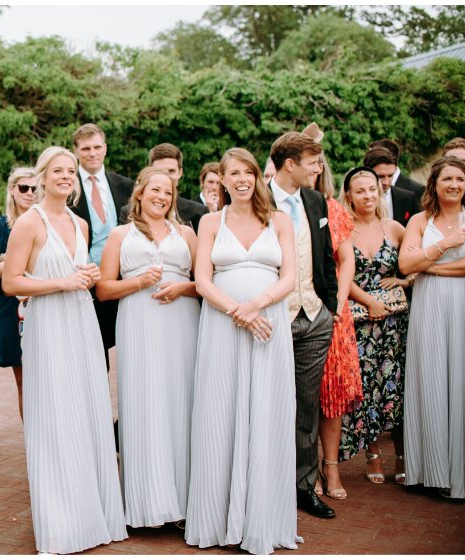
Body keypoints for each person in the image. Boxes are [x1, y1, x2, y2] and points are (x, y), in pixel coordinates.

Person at [3, 146, 126, 554]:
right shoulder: (28, 223)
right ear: (42, 176)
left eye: (70, 171)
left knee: (88, 411)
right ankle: (61, 522)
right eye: (57, 170)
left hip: (81, 323)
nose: (65, 176)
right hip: (48, 327)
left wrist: (87, 276)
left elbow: (79, 276)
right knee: (56, 415)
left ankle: (93, 515)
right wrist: (62, 283)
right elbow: (11, 282)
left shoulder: (79, 223)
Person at [185, 147, 300, 554]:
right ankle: (219, 519)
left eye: (247, 172)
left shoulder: (280, 221)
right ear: (221, 180)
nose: (241, 180)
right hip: (223, 327)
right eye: (232, 174)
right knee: (222, 414)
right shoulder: (210, 222)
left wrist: (257, 305)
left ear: (257, 176)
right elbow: (202, 280)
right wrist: (239, 310)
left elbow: (290, 277)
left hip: (268, 328)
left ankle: (262, 520)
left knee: (265, 413)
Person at [96, 167, 198, 529]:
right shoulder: (120, 235)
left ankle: (184, 502)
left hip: (181, 323)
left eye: (168, 192)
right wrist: (139, 281)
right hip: (138, 321)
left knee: (180, 401)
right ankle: (147, 505)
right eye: (155, 190)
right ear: (139, 193)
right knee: (144, 402)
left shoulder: (186, 233)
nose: (162, 197)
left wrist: (181, 288)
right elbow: (104, 289)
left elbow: (204, 281)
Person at [399, 156, 465, 501]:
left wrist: (431, 267)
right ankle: (433, 470)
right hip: (430, 307)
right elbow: (405, 263)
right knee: (432, 377)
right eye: (447, 179)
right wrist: (441, 246)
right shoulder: (419, 220)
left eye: (460, 179)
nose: (455, 185)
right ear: (434, 184)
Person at [267, 131, 339, 519]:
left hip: (314, 317)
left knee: (306, 404)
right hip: (271, 318)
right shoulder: (256, 199)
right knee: (266, 400)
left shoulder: (315, 200)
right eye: (312, 162)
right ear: (290, 164)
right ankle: (267, 482)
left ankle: (303, 487)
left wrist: (330, 306)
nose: (319, 168)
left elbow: (325, 256)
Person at [337, 167, 410, 483]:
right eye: (360, 190)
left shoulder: (393, 228)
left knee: (397, 386)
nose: (368, 195)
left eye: (372, 189)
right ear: (349, 196)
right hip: (361, 323)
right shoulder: (343, 230)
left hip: (394, 325)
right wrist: (369, 300)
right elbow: (342, 273)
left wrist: (406, 280)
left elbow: (415, 261)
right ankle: (372, 455)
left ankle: (404, 455)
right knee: (366, 389)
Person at [307, 153, 362, 501]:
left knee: (332, 394)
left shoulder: (333, 208)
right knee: (305, 394)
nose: (313, 170)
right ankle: (306, 467)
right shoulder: (281, 210)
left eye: (317, 165)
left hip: (334, 313)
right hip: (297, 310)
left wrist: (339, 303)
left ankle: (331, 466)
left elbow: (346, 259)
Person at [70, 123, 134, 360]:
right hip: (84, 279)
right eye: (86, 148)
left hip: (122, 279)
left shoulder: (125, 185)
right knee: (93, 354)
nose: (92, 153)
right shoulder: (68, 186)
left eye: (97, 147)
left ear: (105, 148)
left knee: (129, 347)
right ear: (76, 151)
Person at [0, 166, 36, 419]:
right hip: (13, 311)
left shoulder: (49, 222)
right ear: (12, 190)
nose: (30, 193)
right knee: (25, 382)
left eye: (35, 188)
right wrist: (17, 262)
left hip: (45, 304)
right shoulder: (2, 226)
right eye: (24, 187)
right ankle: (31, 440)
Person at [147, 143, 208, 232]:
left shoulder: (198, 212)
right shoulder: (129, 212)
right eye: (160, 171)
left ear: (180, 173)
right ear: (149, 172)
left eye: (171, 171)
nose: (166, 177)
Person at [363, 146, 420, 227]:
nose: (386, 182)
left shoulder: (408, 198)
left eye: (390, 176)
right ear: (367, 172)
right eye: (380, 177)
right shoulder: (353, 201)